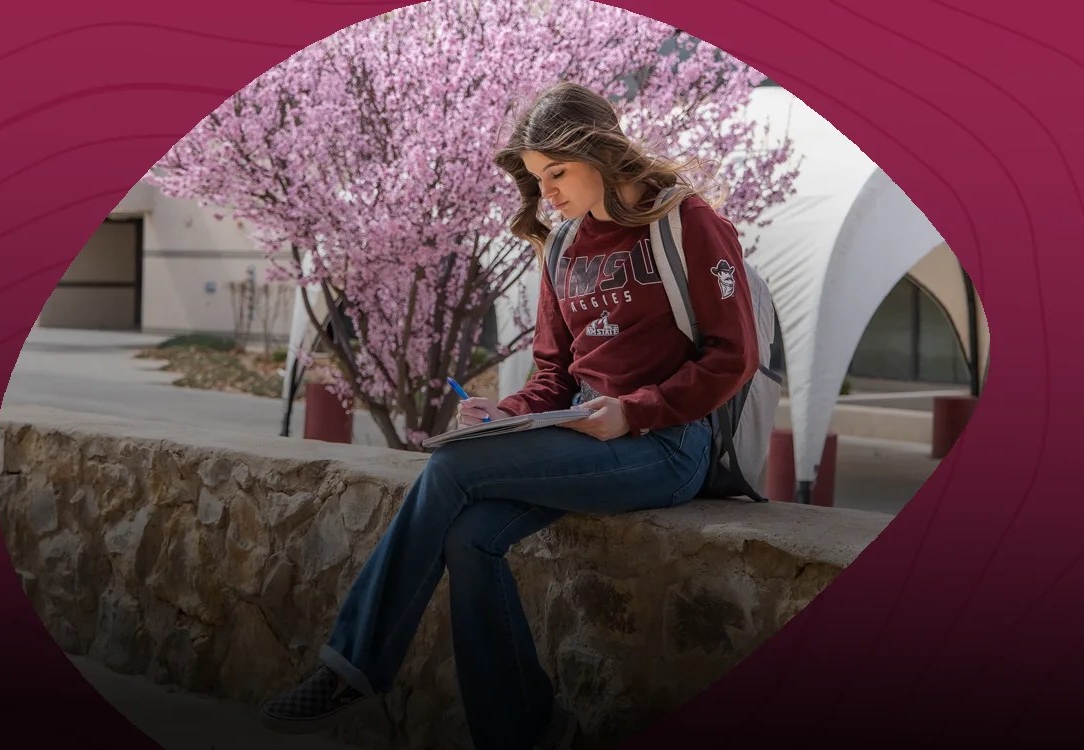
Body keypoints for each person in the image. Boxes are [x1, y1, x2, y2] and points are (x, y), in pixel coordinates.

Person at [257, 81, 760, 750]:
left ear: (600, 153)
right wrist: (505, 414)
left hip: (668, 446)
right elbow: (553, 378)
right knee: (471, 537)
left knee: (453, 468)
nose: (547, 192)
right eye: (535, 178)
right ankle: (522, 730)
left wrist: (637, 411)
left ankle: (352, 665)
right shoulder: (560, 249)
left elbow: (734, 356)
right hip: (580, 436)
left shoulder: (685, 221)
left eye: (557, 172)